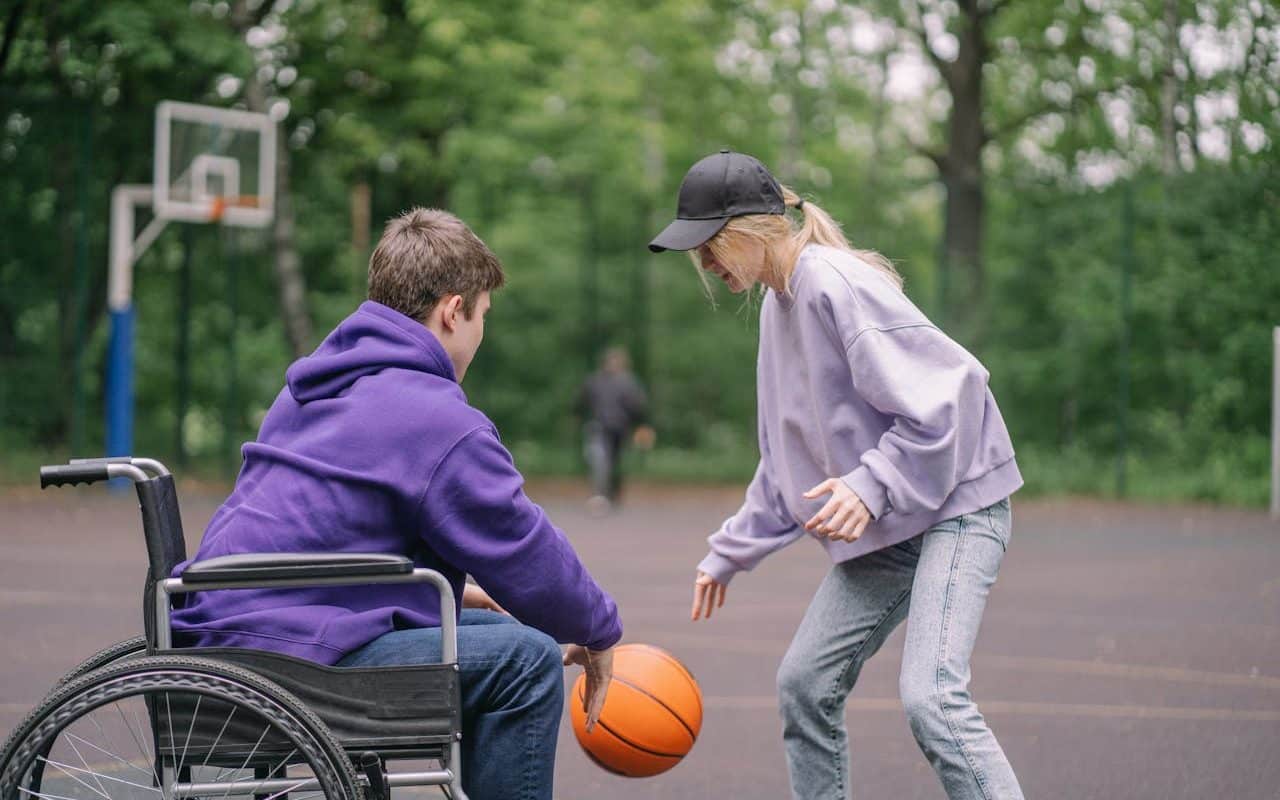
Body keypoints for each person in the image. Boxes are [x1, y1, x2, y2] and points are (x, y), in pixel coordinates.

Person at [171, 208, 620, 800]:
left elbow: (326, 533)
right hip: (291, 660)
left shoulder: (313, 385)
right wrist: (598, 627)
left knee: (478, 623)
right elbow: (520, 543)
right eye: (483, 315)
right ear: (453, 311)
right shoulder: (434, 416)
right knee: (526, 660)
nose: (481, 333)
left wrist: (453, 592)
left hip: (225, 629)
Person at [650, 150, 1025, 800]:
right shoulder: (777, 305)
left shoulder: (833, 282)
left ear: (751, 229)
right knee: (805, 686)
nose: (706, 263)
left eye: (710, 245)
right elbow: (787, 464)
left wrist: (870, 483)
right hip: (895, 519)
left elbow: (953, 393)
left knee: (932, 698)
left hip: (959, 504)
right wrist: (729, 553)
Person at [575, 346, 655, 513]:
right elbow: (581, 400)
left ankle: (614, 494)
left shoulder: (628, 382)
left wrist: (640, 424)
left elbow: (638, 405)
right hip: (599, 426)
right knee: (601, 461)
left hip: (620, 428)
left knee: (615, 461)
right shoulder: (595, 380)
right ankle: (600, 495)